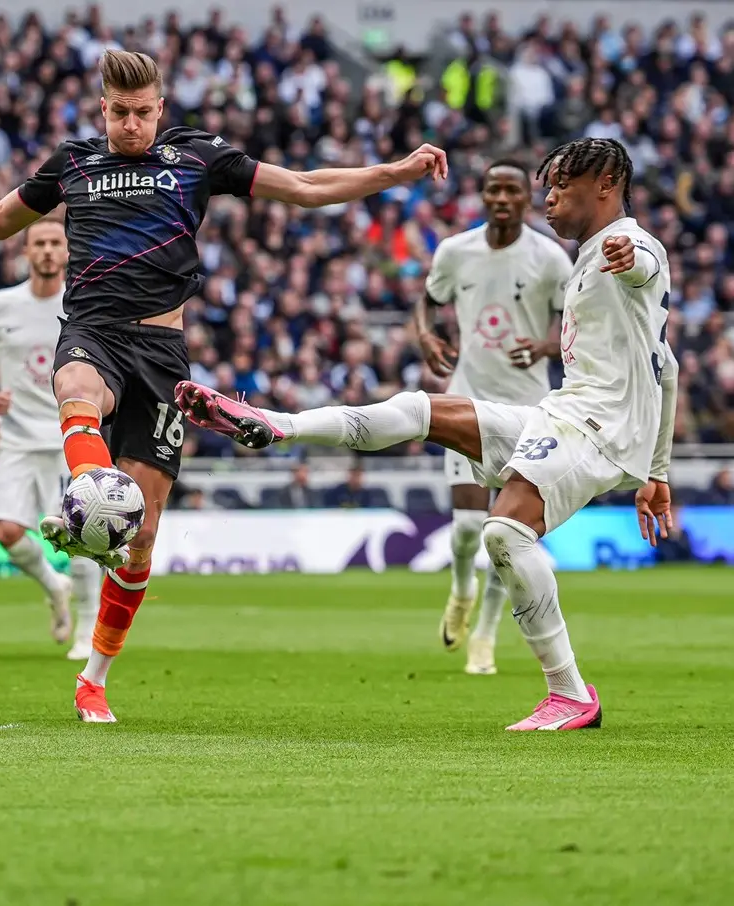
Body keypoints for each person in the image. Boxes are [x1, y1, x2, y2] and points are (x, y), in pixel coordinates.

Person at [0, 49, 447, 722]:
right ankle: (87, 499)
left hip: (163, 351)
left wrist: (394, 172)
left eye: (142, 113)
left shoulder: (197, 158)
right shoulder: (75, 162)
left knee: (139, 543)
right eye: (118, 113)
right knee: (77, 392)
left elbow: (306, 187)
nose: (130, 124)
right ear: (101, 109)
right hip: (92, 329)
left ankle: (93, 676)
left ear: (160, 109)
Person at [177, 137, 676, 732]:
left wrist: (630, 255)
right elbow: (666, 366)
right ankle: (278, 425)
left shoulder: (628, 246)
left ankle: (569, 693)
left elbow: (642, 261)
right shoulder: (585, 255)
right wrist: (659, 471)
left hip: (600, 427)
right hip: (564, 411)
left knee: (504, 532)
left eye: (560, 185)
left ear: (607, 184)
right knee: (422, 410)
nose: (549, 197)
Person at [414, 160, 574, 675]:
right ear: (482, 196)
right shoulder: (455, 252)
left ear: (526, 199)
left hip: (529, 411)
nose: (502, 198)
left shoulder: (550, 259)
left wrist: (547, 346)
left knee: (505, 531)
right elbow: (427, 301)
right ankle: (461, 588)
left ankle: (484, 633)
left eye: (512, 190)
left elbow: (578, 326)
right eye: (493, 190)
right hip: (467, 400)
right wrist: (426, 334)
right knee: (464, 529)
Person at [0, 217, 100, 660]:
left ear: (67, 251)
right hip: (18, 438)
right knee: (4, 530)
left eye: (54, 243)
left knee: (82, 537)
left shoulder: (84, 303)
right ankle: (53, 585)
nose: (46, 251)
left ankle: (88, 631)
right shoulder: (0, 304)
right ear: (25, 251)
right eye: (38, 243)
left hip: (71, 437)